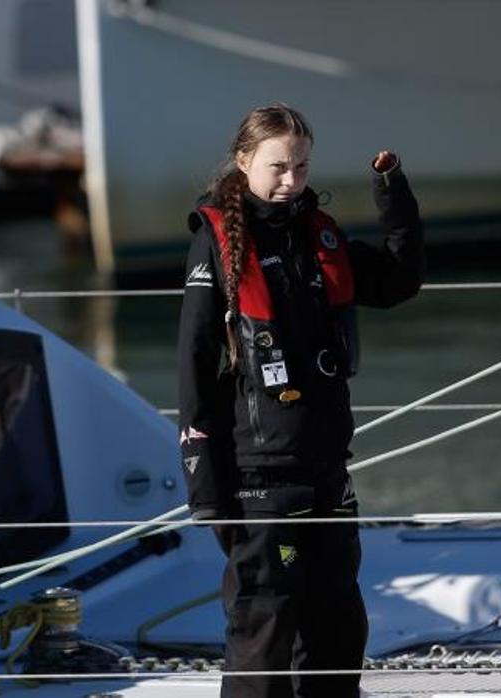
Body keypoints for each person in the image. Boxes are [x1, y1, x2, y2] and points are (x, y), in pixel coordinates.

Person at [176, 103, 424, 698]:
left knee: (339, 617)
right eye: (278, 167)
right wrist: (203, 482)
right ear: (244, 162)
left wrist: (393, 194)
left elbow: (399, 279)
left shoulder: (322, 237)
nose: (292, 181)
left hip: (327, 465)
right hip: (259, 471)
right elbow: (194, 360)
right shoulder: (217, 241)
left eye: (302, 167)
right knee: (266, 621)